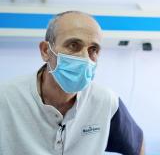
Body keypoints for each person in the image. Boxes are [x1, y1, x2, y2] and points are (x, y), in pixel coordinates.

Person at [0, 11, 144, 155]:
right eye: (73, 45)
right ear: (45, 51)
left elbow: (137, 145)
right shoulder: (6, 99)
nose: (85, 57)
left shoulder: (106, 102)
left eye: (93, 49)